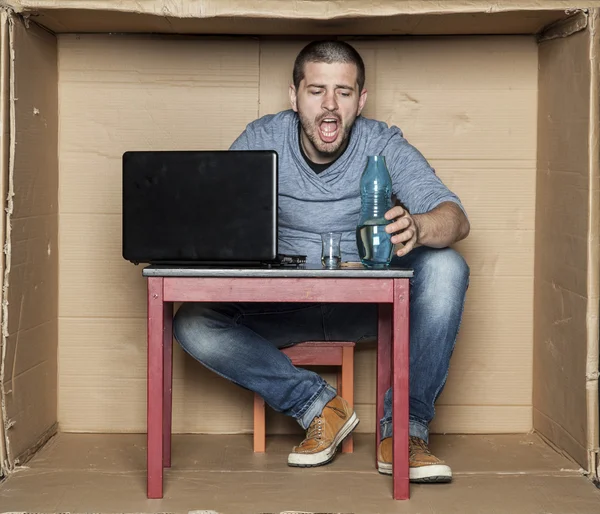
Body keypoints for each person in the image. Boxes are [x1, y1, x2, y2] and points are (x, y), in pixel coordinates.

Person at [173, 40, 470, 483]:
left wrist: (420, 227)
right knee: (191, 322)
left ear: (360, 100)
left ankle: (404, 433)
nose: (330, 106)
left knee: (447, 266)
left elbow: (455, 218)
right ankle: (319, 406)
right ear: (294, 96)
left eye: (344, 93)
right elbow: (216, 217)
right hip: (279, 307)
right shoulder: (261, 137)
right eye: (316, 91)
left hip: (366, 307)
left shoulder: (381, 141)